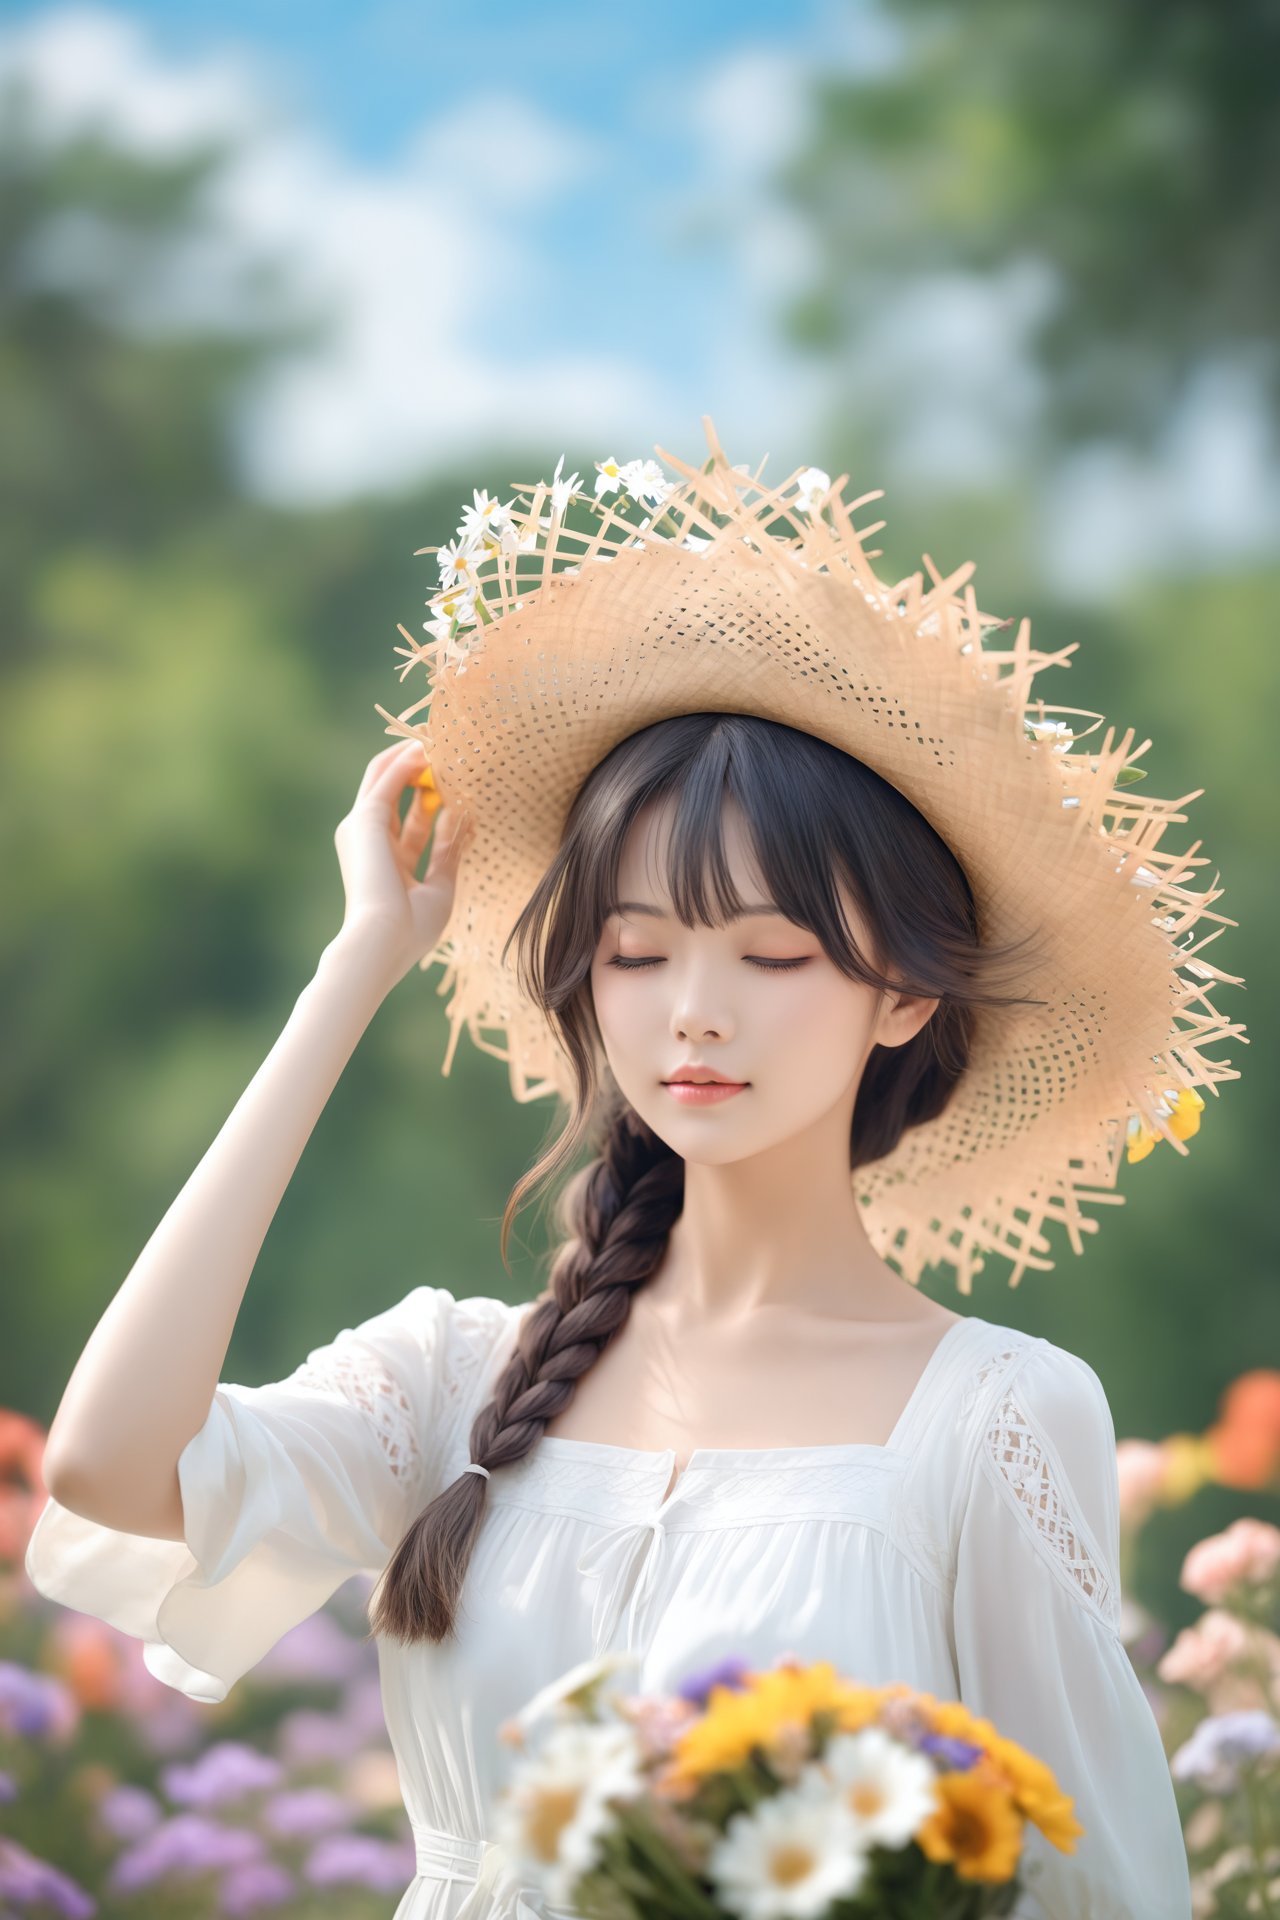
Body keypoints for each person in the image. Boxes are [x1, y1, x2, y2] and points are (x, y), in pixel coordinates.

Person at [26, 422, 1233, 1920]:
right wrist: (352, 976)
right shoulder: (452, 1381)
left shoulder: (992, 1414)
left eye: (774, 954)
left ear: (908, 996)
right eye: (638, 952)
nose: (693, 1012)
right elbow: (109, 1467)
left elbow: (1095, 1887)